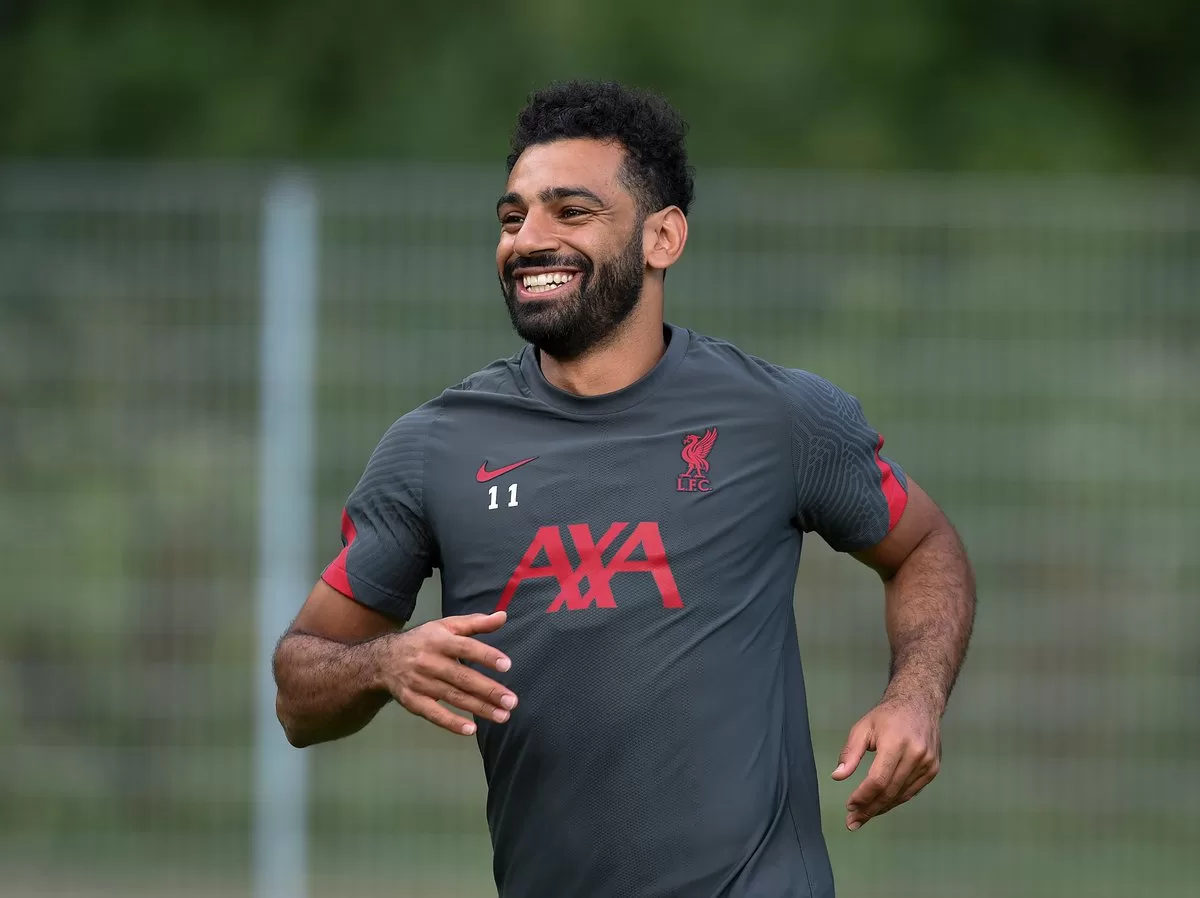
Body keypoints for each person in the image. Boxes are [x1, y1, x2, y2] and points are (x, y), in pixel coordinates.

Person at [273, 80, 976, 898]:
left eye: (571, 212)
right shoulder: (434, 449)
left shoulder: (777, 417)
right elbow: (298, 692)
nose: (529, 239)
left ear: (662, 238)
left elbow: (925, 547)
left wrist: (915, 697)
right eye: (512, 217)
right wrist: (384, 663)